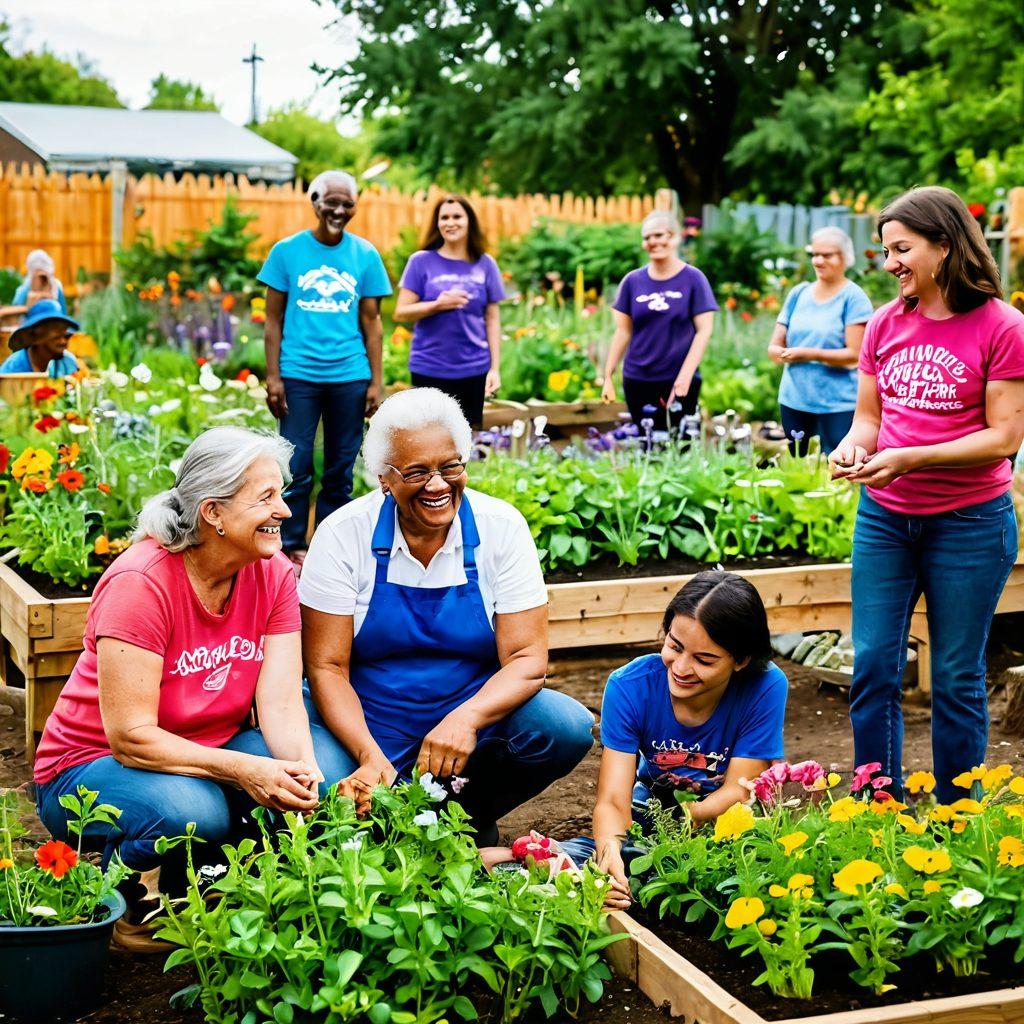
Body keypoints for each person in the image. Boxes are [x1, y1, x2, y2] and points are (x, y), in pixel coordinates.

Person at [33, 428, 322, 946]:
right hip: (89, 769)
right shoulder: (140, 585)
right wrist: (245, 769)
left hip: (203, 748)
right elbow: (131, 737)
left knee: (317, 767)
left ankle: (201, 879)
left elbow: (279, 702)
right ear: (212, 512)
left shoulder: (273, 572)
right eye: (266, 498)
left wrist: (307, 781)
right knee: (196, 811)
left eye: (281, 493)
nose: (284, 510)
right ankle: (126, 893)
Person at [298, 387, 594, 845]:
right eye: (417, 471)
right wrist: (366, 753)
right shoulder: (343, 535)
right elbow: (326, 666)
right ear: (383, 477)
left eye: (450, 466)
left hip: (467, 719)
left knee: (562, 727)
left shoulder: (501, 528)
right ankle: (403, 824)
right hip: (366, 719)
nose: (437, 485)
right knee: (314, 786)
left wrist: (466, 719)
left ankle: (465, 816)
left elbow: (527, 659)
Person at [829, 186, 1024, 802]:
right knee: (873, 667)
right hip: (886, 519)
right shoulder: (887, 323)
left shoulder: (1002, 326)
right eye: (886, 250)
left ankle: (958, 814)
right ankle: (877, 806)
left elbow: (1003, 438)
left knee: (955, 675)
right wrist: (853, 448)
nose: (890, 263)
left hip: (968, 523)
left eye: (902, 248)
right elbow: (869, 418)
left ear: (945, 244)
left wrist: (910, 457)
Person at [560, 571, 786, 909]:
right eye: (674, 646)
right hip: (653, 805)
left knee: (755, 872)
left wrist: (676, 828)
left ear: (740, 660)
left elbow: (739, 790)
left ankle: (560, 857)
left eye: (704, 660)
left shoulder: (765, 686)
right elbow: (612, 801)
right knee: (614, 857)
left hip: (727, 817)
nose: (680, 667)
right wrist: (609, 850)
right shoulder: (630, 685)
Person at [258, 169, 393, 574]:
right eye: (329, 201)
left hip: (349, 376)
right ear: (314, 201)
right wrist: (273, 376)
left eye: (346, 203)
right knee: (295, 465)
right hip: (298, 375)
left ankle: (332, 543)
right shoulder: (287, 252)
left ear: (355, 205)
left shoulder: (365, 255)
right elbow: (272, 319)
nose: (338, 209)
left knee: (340, 467)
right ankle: (293, 545)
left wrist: (375, 380)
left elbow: (371, 322)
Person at [394, 195, 505, 426]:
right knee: (430, 442)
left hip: (474, 368)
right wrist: (437, 305)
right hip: (430, 367)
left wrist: (494, 369)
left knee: (468, 441)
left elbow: (492, 318)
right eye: (444, 217)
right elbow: (401, 312)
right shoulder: (420, 261)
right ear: (437, 223)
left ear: (469, 222)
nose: (450, 222)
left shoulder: (485, 264)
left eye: (457, 216)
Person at [601, 211, 718, 431]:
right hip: (637, 378)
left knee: (678, 444)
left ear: (674, 238)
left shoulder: (694, 279)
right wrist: (608, 375)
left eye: (659, 235)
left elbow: (704, 331)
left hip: (677, 379)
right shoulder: (632, 282)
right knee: (646, 444)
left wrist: (684, 377)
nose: (653, 242)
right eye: (647, 238)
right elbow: (623, 332)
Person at [767, 227, 874, 455]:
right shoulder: (798, 293)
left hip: (837, 405)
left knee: (836, 471)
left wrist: (808, 354)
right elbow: (774, 349)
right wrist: (781, 352)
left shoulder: (853, 298)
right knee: (799, 467)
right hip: (794, 400)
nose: (818, 261)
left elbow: (854, 356)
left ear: (845, 258)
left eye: (827, 255)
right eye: (814, 254)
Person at [0, 298, 79, 376]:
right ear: (35, 337)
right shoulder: (12, 370)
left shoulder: (68, 363)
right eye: (56, 338)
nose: (63, 342)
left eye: (66, 337)